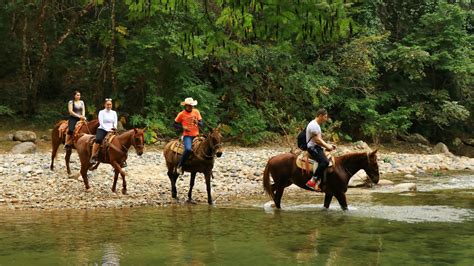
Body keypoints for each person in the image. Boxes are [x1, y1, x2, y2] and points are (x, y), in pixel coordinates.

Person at [305, 108, 336, 192]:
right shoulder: (313, 125)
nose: (326, 119)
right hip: (312, 148)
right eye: (325, 117)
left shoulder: (316, 125)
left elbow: (319, 139)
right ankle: (313, 181)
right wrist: (327, 146)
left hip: (316, 147)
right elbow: (317, 140)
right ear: (320, 116)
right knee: (325, 162)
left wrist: (328, 145)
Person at [174, 97, 203, 174]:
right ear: (186, 106)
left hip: (197, 135)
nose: (191, 107)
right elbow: (174, 124)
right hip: (187, 136)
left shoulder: (196, 112)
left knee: (208, 146)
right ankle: (180, 165)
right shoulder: (181, 114)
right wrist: (182, 127)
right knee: (188, 149)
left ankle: (207, 166)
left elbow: (202, 124)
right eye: (189, 105)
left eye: (192, 105)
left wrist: (197, 122)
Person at [90, 98, 117, 164]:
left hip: (112, 130)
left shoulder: (114, 112)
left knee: (118, 141)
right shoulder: (101, 112)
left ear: (112, 105)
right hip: (102, 129)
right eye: (107, 104)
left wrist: (114, 128)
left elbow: (115, 122)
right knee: (98, 140)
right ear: (105, 105)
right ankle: (93, 156)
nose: (109, 106)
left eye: (110, 104)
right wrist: (107, 130)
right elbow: (101, 122)